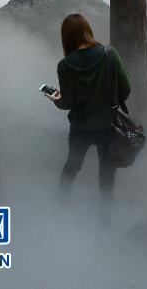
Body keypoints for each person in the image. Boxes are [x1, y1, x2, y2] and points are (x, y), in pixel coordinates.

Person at [44, 14, 131, 204]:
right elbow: (126, 89)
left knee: (72, 165)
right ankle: (104, 224)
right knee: (107, 173)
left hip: (80, 128)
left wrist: (55, 98)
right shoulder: (110, 54)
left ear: (66, 37)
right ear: (87, 31)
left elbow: (66, 103)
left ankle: (59, 207)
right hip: (108, 126)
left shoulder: (64, 65)